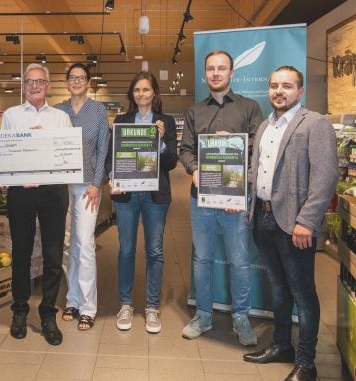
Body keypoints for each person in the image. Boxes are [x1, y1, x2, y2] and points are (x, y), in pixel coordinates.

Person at [243, 66, 338, 381]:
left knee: (303, 292)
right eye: (273, 86)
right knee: (279, 289)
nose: (278, 91)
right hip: (264, 217)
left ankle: (306, 364)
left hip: (295, 224)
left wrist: (307, 221)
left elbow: (325, 178)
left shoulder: (315, 124)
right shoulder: (264, 127)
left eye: (286, 86)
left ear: (300, 91)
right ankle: (282, 345)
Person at [179, 50, 263, 346]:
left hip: (233, 199)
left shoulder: (249, 108)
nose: (216, 73)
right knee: (201, 258)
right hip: (200, 198)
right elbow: (185, 149)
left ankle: (241, 317)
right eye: (211, 69)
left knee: (239, 260)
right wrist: (194, 169)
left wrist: (232, 142)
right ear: (205, 74)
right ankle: (203, 314)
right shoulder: (194, 111)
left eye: (221, 68)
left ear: (231, 73)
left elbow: (258, 150)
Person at [2, 63, 72, 346]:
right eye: (29, 82)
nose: (34, 86)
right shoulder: (11, 116)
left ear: (48, 86)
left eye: (40, 82)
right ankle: (19, 311)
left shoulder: (60, 118)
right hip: (22, 192)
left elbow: (67, 155)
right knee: (21, 252)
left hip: (54, 192)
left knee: (53, 255)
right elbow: (5, 155)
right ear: (23, 86)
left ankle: (48, 314)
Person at [105, 71, 178, 334]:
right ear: (131, 94)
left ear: (154, 93)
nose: (141, 94)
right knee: (125, 250)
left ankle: (151, 307)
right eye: (137, 90)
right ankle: (125, 304)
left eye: (146, 90)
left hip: (155, 195)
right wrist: (112, 176)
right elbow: (111, 156)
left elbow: (170, 163)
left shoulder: (166, 122)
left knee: (154, 252)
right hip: (126, 195)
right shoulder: (121, 121)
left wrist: (160, 142)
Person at [54, 63, 110, 331]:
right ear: (67, 82)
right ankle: (72, 299)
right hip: (61, 187)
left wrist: (97, 184)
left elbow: (102, 150)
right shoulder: (58, 111)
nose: (77, 81)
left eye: (81, 78)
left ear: (89, 82)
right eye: (72, 77)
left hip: (87, 187)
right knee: (67, 245)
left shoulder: (98, 111)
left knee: (85, 243)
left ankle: (88, 307)